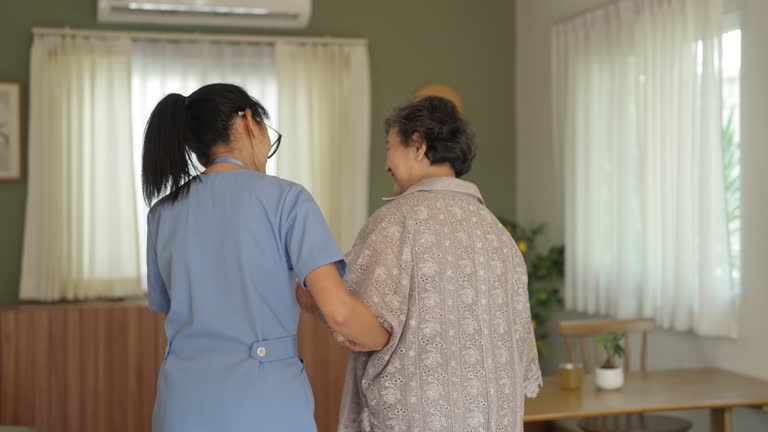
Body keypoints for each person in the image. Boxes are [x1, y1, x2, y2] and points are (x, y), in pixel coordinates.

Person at [142, 83, 389, 432]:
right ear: (247, 121)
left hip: (181, 403)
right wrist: (391, 340)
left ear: (200, 154)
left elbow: (176, 310)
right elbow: (339, 311)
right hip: (264, 401)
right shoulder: (287, 199)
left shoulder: (161, 214)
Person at [304, 96, 542, 432]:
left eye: (389, 147)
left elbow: (359, 325)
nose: (386, 163)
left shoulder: (398, 220)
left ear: (417, 144)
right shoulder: (498, 234)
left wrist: (308, 295)